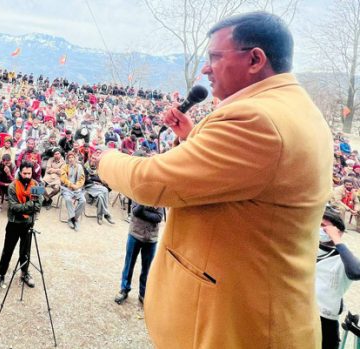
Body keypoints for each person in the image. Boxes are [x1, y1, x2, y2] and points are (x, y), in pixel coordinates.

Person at [97, 12, 332, 347]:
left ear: (255, 59)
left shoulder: (256, 118)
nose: (206, 69)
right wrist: (191, 140)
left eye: (214, 58)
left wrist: (104, 159)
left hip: (238, 325)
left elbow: (154, 182)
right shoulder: (292, 107)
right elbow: (248, 185)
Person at [115, 152, 163, 306]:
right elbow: (135, 211)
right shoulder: (138, 186)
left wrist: (144, 210)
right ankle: (124, 289)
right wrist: (147, 206)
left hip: (151, 238)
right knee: (129, 264)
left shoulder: (160, 191)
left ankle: (143, 294)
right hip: (135, 233)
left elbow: (159, 217)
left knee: (146, 268)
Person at [0, 161, 42, 295]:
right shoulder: (13, 186)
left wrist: (29, 207)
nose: (26, 175)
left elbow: (38, 205)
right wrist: (31, 204)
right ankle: (1, 276)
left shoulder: (36, 185)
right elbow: (14, 208)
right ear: (19, 172)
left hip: (28, 224)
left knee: (26, 251)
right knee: (7, 251)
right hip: (14, 223)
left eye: (29, 173)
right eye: (24, 173)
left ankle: (24, 273)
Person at [316, 206, 360, 349]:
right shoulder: (309, 249)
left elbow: (356, 272)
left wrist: (336, 239)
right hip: (302, 313)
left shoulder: (343, 258)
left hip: (326, 320)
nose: (319, 229)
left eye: (324, 226)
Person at [84, 151, 114, 225]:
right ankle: (106, 213)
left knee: (101, 196)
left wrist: (98, 181)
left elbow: (102, 178)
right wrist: (95, 181)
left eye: (95, 159)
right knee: (104, 190)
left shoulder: (99, 167)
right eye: (92, 158)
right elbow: (86, 179)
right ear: (90, 158)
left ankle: (100, 216)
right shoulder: (85, 166)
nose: (93, 160)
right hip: (87, 187)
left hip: (96, 187)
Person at [60, 152, 85, 231]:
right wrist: (71, 185)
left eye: (72, 157)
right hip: (67, 188)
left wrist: (76, 186)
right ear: (67, 159)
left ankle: (73, 219)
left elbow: (82, 179)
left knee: (83, 201)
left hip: (77, 188)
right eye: (69, 158)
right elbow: (63, 179)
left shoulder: (80, 167)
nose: (71, 159)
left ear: (75, 158)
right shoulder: (64, 167)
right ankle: (73, 219)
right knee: (68, 199)